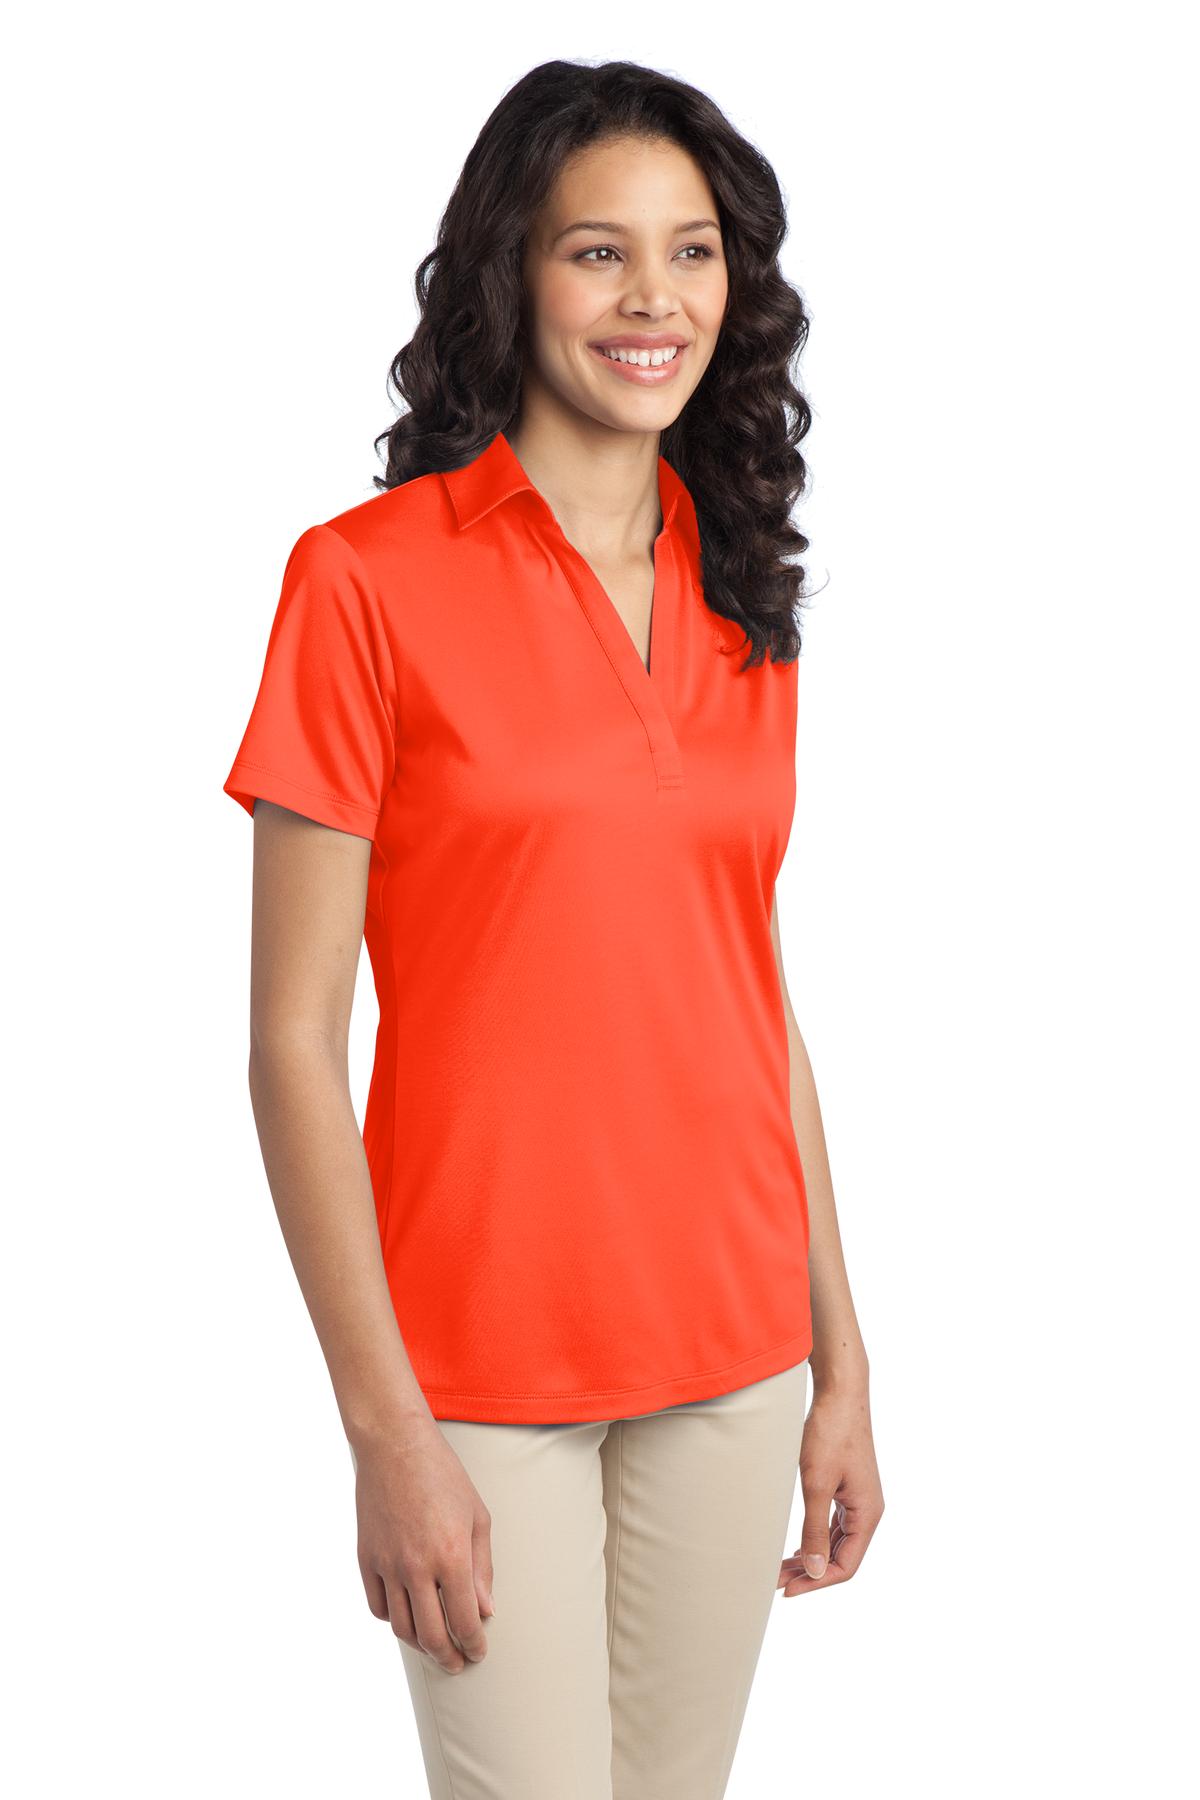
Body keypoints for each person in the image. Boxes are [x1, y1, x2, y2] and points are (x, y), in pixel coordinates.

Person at [223, 58, 883, 1800]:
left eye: (691, 252)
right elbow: (291, 1045)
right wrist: (385, 1430)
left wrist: (843, 1357)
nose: (652, 299)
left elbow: (748, 990)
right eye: (600, 252)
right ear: (511, 270)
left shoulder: (745, 599)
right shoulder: (362, 581)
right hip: (479, 1366)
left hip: (734, 1353)